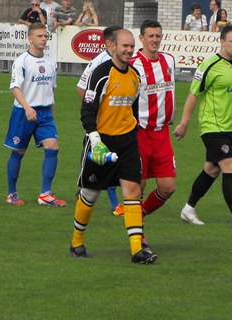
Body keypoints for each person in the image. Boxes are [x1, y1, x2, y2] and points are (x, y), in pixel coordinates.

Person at [69, 29, 158, 264]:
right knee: (90, 193)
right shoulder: (100, 74)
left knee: (133, 191)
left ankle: (137, 250)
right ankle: (77, 242)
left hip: (127, 142)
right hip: (101, 142)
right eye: (124, 46)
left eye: (131, 46)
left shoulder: (135, 76)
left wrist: (134, 134)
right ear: (112, 47)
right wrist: (96, 141)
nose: (129, 50)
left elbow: (134, 110)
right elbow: (87, 111)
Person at [173, 24, 232, 228]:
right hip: (212, 127)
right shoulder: (208, 65)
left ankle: (188, 209)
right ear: (221, 41)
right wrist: (184, 123)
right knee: (230, 165)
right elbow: (193, 95)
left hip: (229, 127)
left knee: (212, 169)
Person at [4, 23, 65, 207]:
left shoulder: (50, 62)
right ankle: (11, 194)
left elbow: (52, 89)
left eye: (45, 36)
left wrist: (51, 112)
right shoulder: (22, 61)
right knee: (18, 153)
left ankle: (45, 194)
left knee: (53, 147)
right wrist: (27, 107)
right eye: (39, 36)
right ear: (30, 38)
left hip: (45, 113)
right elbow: (15, 88)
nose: (43, 39)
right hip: (23, 112)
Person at [128, 20, 176, 247]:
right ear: (142, 38)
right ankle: (139, 235)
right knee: (139, 185)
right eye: (150, 36)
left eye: (158, 35)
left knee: (168, 187)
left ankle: (140, 215)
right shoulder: (134, 64)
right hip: (140, 133)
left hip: (162, 132)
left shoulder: (169, 61)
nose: (155, 40)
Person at [76, 26, 124, 216]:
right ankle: (112, 205)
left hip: (118, 123)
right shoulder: (100, 62)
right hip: (100, 125)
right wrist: (95, 113)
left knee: (111, 161)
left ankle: (112, 204)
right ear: (111, 43)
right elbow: (81, 88)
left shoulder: (122, 62)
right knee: (101, 160)